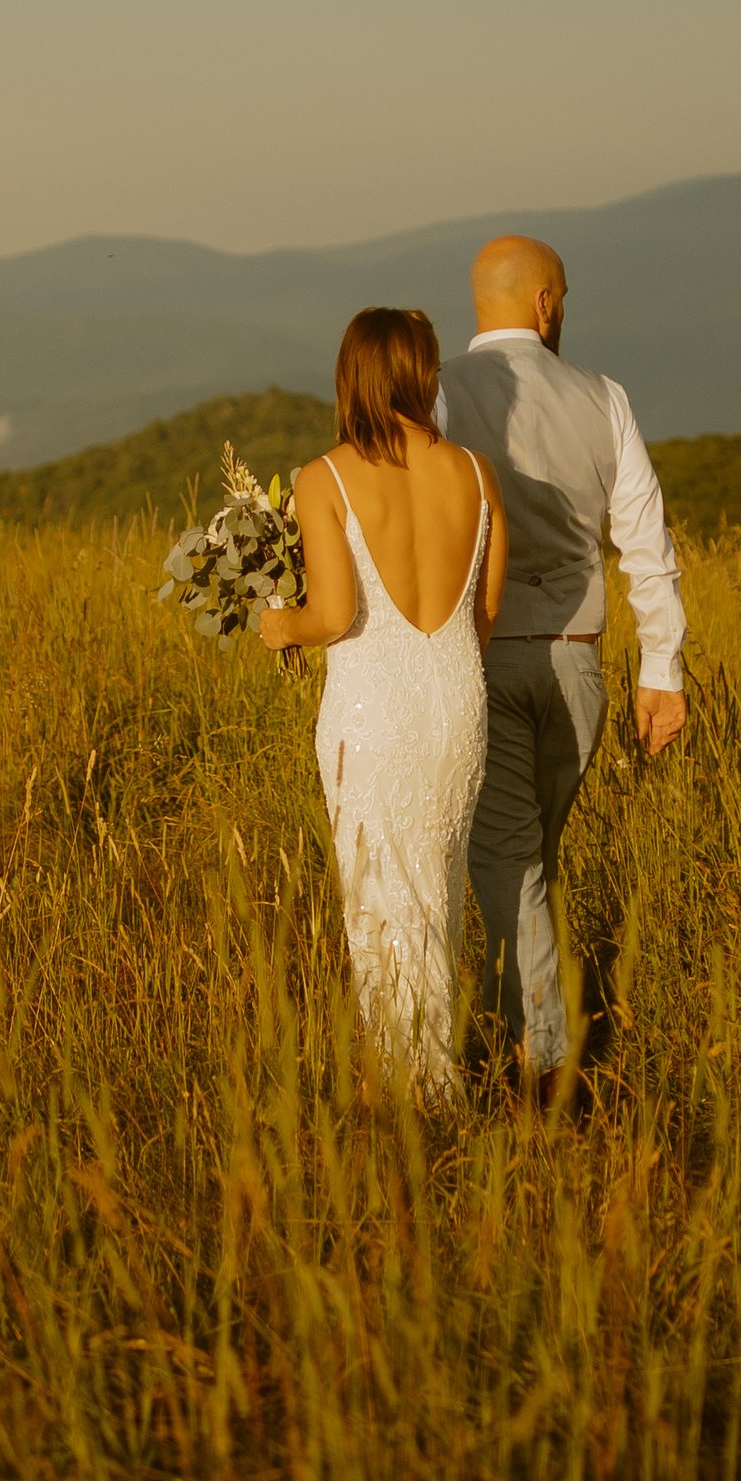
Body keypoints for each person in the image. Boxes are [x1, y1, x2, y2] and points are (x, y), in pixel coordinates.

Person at [438, 235, 686, 1083]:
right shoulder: (603, 396)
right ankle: (525, 1044)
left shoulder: (435, 393)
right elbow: (646, 547)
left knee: (512, 869)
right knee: (527, 865)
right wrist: (663, 672)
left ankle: (545, 1073)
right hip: (580, 666)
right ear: (545, 304)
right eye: (565, 296)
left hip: (481, 662)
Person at [258, 306, 509, 1102]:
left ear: (354, 375)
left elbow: (332, 616)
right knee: (436, 887)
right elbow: (485, 618)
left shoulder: (324, 477)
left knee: (379, 897)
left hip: (374, 707)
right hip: (458, 699)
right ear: (422, 371)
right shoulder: (476, 473)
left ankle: (416, 1097)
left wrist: (277, 625)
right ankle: (425, 1073)